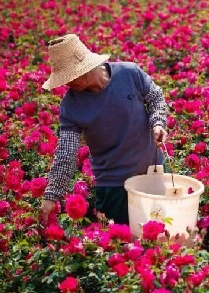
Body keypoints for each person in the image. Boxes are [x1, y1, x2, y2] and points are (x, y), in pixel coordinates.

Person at [39, 33, 168, 224]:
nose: (67, 84)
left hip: (153, 172)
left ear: (85, 68)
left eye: (69, 77)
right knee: (122, 245)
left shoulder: (129, 73)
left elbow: (156, 97)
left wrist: (158, 123)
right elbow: (66, 152)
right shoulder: (71, 105)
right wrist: (52, 194)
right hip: (114, 187)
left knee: (161, 235)